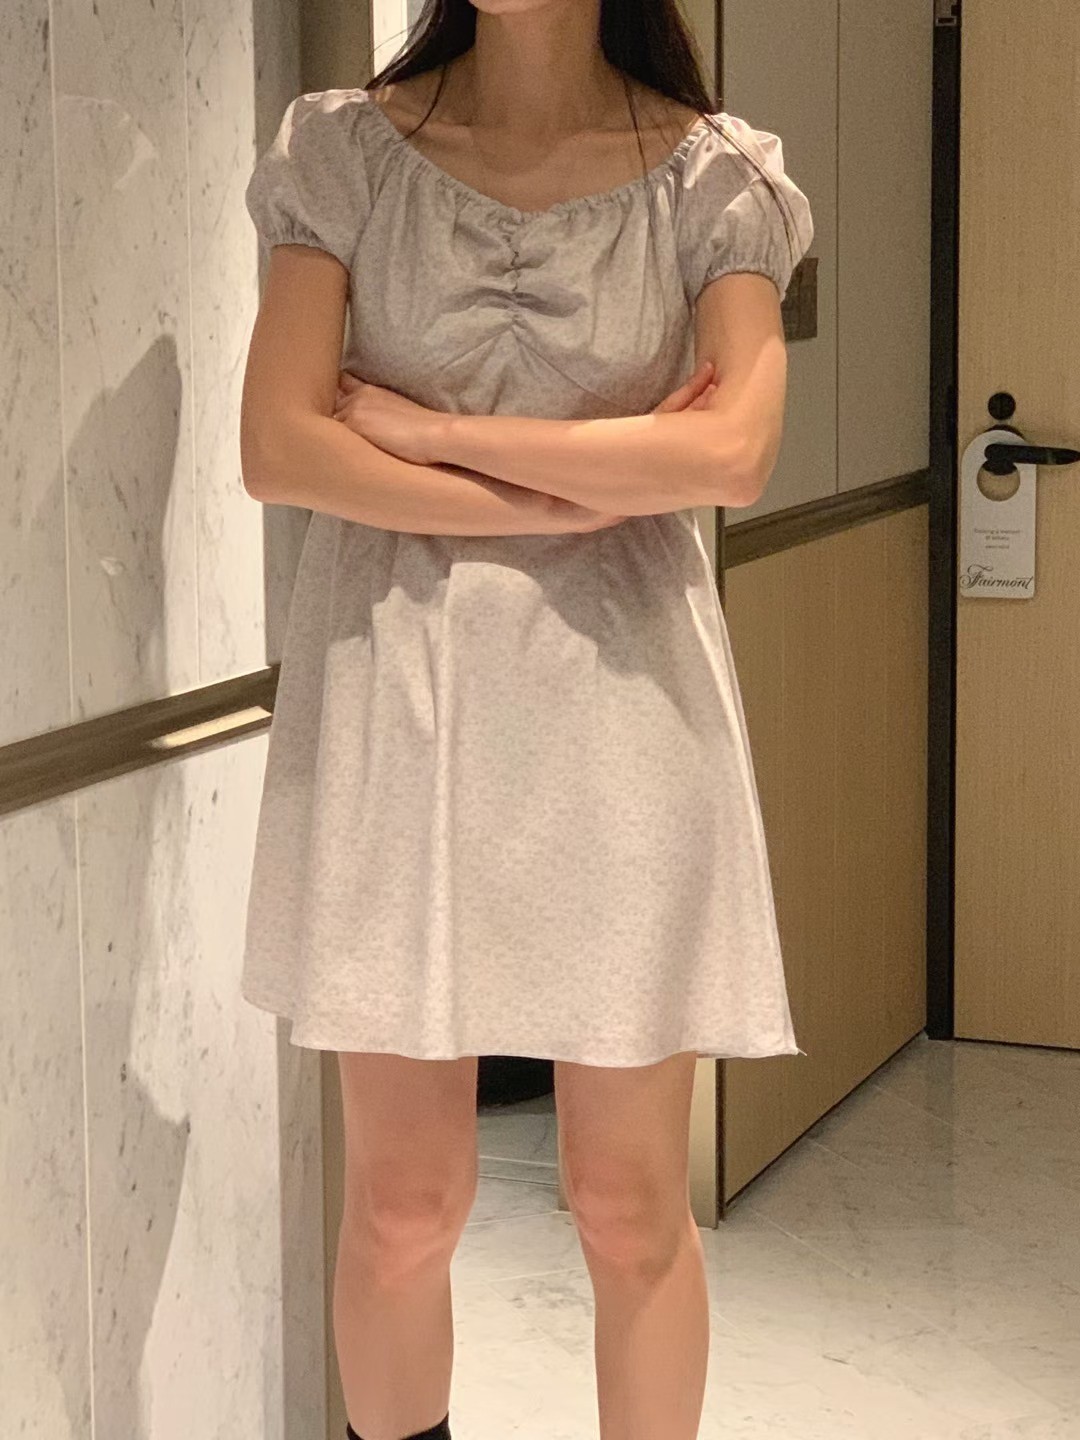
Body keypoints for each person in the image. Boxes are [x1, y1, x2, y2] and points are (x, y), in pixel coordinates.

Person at [239, 2, 814, 1437]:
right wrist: (583, 489)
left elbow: (735, 451)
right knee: (401, 1204)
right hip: (400, 693)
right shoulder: (343, 151)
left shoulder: (716, 176)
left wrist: (433, 436)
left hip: (625, 709)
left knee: (627, 1203)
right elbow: (280, 444)